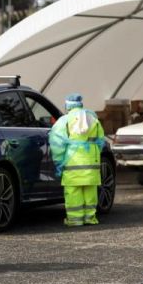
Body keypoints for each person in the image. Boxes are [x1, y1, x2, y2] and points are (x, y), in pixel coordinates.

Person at [48, 93, 105, 227]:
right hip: (91, 161)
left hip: (72, 161)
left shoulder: (64, 121)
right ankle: (90, 218)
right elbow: (101, 140)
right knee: (90, 190)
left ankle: (75, 220)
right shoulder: (92, 118)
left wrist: (59, 161)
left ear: (67, 105)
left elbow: (57, 144)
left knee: (73, 191)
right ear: (81, 104)